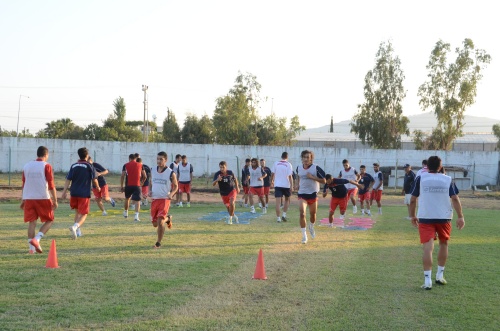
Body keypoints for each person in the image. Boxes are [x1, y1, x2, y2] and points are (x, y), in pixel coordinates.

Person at [409, 156, 465, 290]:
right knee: (444, 243)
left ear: (427, 166)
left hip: (426, 217)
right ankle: (440, 276)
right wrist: (460, 216)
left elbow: (412, 199)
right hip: (444, 217)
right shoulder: (447, 179)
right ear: (440, 166)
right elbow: (455, 199)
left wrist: (412, 216)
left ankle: (427, 280)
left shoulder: (420, 178)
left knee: (428, 247)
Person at [20, 146, 58, 254]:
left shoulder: (27, 166)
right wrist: (55, 200)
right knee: (50, 220)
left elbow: (24, 184)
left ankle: (31, 250)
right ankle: (37, 239)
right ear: (46, 155)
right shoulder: (46, 166)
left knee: (32, 223)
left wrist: (23, 199)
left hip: (29, 197)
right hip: (43, 197)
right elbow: (51, 185)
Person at [62, 147, 99, 239]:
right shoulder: (89, 166)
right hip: (83, 193)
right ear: (87, 155)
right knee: (84, 213)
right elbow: (94, 180)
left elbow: (68, 179)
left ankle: (78, 232)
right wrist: (98, 187)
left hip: (74, 193)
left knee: (77, 212)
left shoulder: (74, 165)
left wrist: (64, 191)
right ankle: (75, 227)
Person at [295, 150, 326, 244]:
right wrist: (297, 184)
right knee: (302, 213)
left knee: (313, 215)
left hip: (312, 194)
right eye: (304, 157)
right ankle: (304, 236)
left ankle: (311, 226)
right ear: (302, 158)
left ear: (311, 159)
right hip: (302, 194)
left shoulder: (316, 168)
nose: (305, 159)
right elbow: (298, 176)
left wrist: (312, 177)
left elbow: (324, 181)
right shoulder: (298, 168)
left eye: (308, 157)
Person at [149, 151, 178, 248]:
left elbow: (176, 186)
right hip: (154, 200)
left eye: (161, 159)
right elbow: (150, 182)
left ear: (166, 160)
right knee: (155, 224)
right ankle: (168, 219)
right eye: (158, 159)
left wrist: (172, 194)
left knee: (160, 222)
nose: (159, 161)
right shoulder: (153, 170)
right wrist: (149, 190)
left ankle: (158, 243)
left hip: (165, 199)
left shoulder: (170, 173)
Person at [120, 153, 146, 221]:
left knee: (127, 198)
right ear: (136, 158)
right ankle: (136, 216)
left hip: (128, 185)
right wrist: (142, 183)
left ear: (129, 159)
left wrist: (121, 186)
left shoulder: (125, 165)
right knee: (137, 201)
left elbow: (122, 175)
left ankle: (126, 212)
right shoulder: (140, 165)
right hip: (137, 185)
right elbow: (145, 176)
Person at [271, 152, 294, 223]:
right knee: (287, 200)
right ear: (287, 157)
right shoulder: (288, 164)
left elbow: (272, 173)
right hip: (286, 185)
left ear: (281, 156)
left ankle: (278, 218)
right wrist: (291, 186)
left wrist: (271, 181)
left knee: (278, 202)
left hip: (277, 184)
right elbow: (290, 176)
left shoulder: (276, 163)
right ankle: (284, 214)